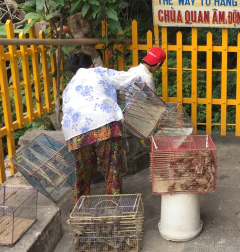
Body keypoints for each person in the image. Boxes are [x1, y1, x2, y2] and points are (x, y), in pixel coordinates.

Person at [61, 52, 142, 205]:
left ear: (72, 71)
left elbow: (66, 112)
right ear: (91, 65)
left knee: (83, 171)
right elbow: (127, 78)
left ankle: (80, 207)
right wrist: (140, 76)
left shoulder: (69, 87)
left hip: (75, 132)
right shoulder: (99, 72)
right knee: (112, 167)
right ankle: (114, 205)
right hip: (104, 124)